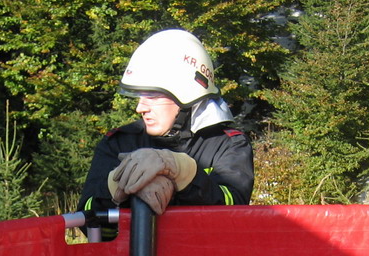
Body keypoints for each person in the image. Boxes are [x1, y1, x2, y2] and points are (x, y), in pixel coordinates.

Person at [77, 29, 253, 238]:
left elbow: (233, 211)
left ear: (188, 97)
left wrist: (186, 174)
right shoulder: (119, 143)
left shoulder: (228, 145)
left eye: (153, 96)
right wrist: (114, 187)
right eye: (140, 96)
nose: (140, 108)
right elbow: (88, 224)